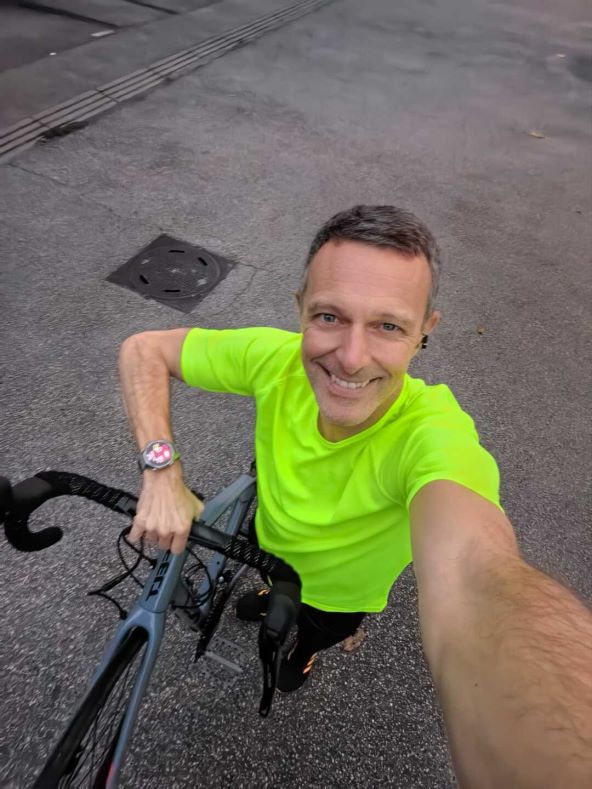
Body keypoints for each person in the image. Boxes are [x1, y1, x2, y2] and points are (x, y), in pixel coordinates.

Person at [119, 205, 592, 786]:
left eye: (388, 326)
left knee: (315, 633)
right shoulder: (274, 360)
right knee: (271, 586)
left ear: (424, 331)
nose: (350, 356)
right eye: (329, 316)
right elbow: (144, 350)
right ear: (300, 308)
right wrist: (161, 470)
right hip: (269, 546)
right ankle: (269, 594)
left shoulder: (431, 436)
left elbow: (477, 573)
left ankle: (303, 654)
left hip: (341, 597)